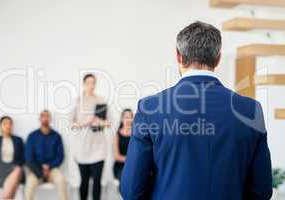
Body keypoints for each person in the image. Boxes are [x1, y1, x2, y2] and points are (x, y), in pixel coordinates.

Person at [121, 21, 273, 200]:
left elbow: (132, 191)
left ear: (178, 56)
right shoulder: (250, 110)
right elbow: (262, 190)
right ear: (218, 58)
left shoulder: (150, 108)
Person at [71, 73, 111, 200]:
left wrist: (100, 122)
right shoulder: (77, 101)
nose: (91, 85)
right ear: (84, 84)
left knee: (97, 182)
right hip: (82, 149)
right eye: (88, 83)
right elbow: (71, 124)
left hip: (98, 148)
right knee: (84, 181)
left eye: (94, 83)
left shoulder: (101, 101)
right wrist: (86, 122)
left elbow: (109, 122)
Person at [24, 110, 67, 200]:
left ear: (50, 119)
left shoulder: (57, 136)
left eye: (47, 116)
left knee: (61, 180)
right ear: (40, 119)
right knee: (29, 184)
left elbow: (60, 156)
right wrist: (40, 170)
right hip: (36, 170)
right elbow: (28, 158)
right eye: (43, 116)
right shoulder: (32, 136)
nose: (45, 118)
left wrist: (49, 166)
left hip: (52, 169)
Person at [113, 109, 133, 183]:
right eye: (125, 117)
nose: (128, 119)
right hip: (121, 166)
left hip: (135, 165)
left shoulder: (136, 134)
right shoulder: (117, 135)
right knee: (126, 179)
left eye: (130, 117)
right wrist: (131, 160)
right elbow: (117, 156)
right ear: (122, 119)